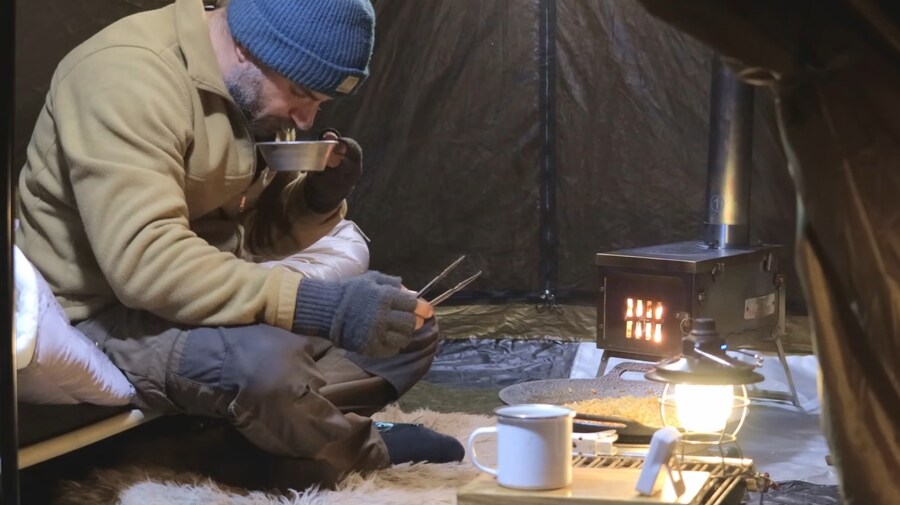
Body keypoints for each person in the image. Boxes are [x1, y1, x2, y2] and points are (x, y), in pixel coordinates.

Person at [14, 0, 464, 476]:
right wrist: (324, 307)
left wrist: (316, 198)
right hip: (110, 317)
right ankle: (354, 449)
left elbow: (250, 237)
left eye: (320, 103)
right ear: (248, 50)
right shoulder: (125, 77)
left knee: (407, 322)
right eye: (299, 93)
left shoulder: (245, 91)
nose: (307, 119)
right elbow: (147, 265)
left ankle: (270, 434)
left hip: (204, 306)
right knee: (269, 365)